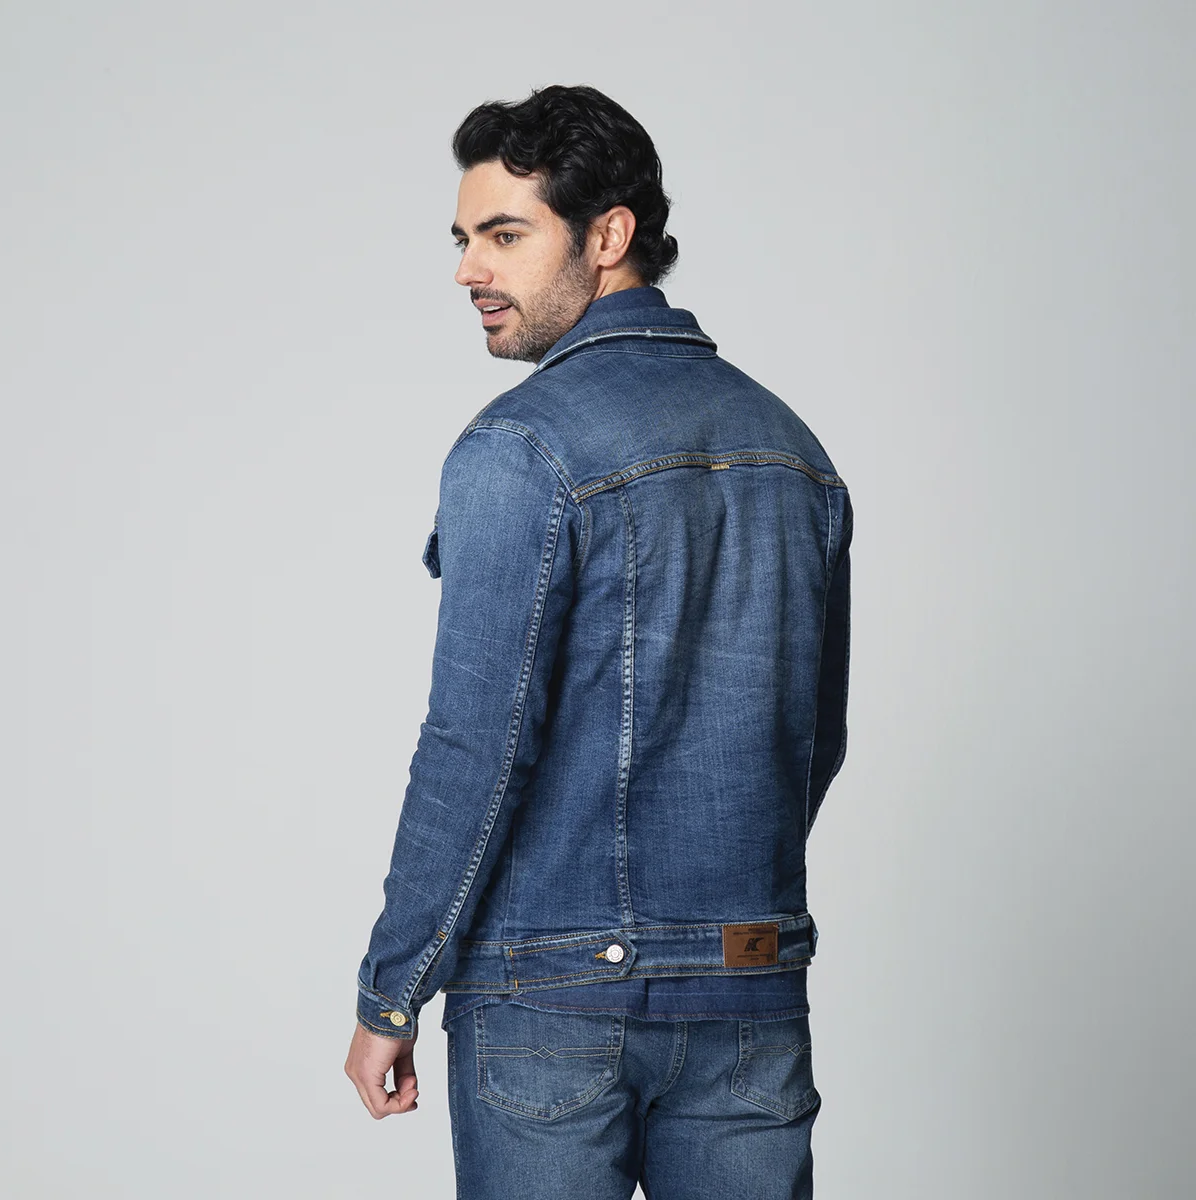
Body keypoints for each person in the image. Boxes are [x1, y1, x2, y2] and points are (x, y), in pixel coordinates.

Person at [344, 84, 853, 1200]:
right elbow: (811, 741)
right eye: (463, 240)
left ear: (609, 235)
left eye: (504, 236)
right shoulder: (795, 451)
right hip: (750, 985)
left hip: (552, 1004)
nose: (469, 270)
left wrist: (393, 990)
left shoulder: (519, 448)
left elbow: (476, 748)